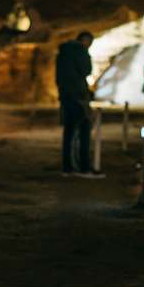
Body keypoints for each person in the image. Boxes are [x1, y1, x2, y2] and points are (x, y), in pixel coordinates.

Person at [55, 31, 102, 177]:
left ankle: (67, 168)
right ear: (85, 40)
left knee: (69, 132)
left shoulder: (62, 53)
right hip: (78, 96)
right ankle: (84, 168)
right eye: (90, 43)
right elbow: (86, 70)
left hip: (65, 96)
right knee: (84, 129)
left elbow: (59, 77)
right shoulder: (81, 51)